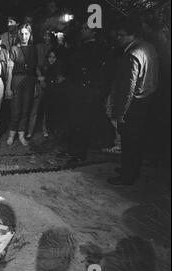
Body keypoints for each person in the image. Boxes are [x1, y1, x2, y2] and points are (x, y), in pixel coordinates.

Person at [107, 19, 158, 185]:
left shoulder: (132, 53)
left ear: (132, 35)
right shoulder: (149, 47)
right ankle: (131, 170)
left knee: (129, 141)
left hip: (133, 105)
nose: (119, 38)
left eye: (122, 35)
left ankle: (127, 176)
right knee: (136, 140)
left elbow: (128, 87)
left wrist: (121, 113)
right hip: (147, 101)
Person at [65, 22, 106, 164]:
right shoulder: (82, 46)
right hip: (78, 88)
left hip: (85, 90)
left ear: (94, 32)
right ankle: (74, 150)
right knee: (76, 120)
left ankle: (78, 154)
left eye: (86, 29)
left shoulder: (96, 48)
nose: (82, 30)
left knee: (82, 122)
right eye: (82, 28)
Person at [5, 24, 38, 146]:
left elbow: (34, 70)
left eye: (26, 34)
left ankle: (21, 135)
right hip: (17, 80)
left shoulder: (33, 49)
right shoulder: (14, 49)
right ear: (19, 35)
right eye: (22, 34)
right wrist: (8, 88)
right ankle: (11, 135)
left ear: (30, 35)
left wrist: (35, 86)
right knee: (16, 109)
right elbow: (9, 70)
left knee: (26, 109)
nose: (24, 36)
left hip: (29, 81)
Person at [38, 49, 66, 137]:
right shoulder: (44, 67)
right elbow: (42, 79)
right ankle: (45, 128)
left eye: (54, 57)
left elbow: (60, 79)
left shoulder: (58, 67)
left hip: (55, 92)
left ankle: (54, 129)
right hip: (47, 92)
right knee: (46, 110)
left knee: (55, 110)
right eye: (50, 57)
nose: (52, 59)